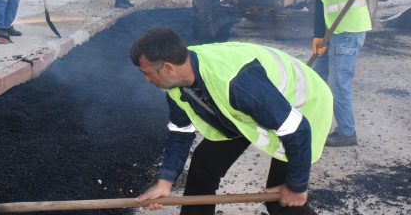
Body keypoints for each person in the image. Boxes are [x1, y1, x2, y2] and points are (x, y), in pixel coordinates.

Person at [131, 28, 332, 215]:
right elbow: (181, 132)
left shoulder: (236, 82)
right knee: (203, 166)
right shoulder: (178, 81)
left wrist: (297, 186)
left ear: (167, 68)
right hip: (245, 109)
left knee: (281, 201)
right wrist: (165, 181)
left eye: (145, 72)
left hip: (300, 105)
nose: (146, 79)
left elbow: (297, 128)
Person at [299, 0, 376, 147]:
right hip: (333, 34)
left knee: (338, 82)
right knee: (317, 77)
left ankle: (346, 132)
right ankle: (315, 123)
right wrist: (318, 35)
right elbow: (322, 5)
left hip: (348, 30)